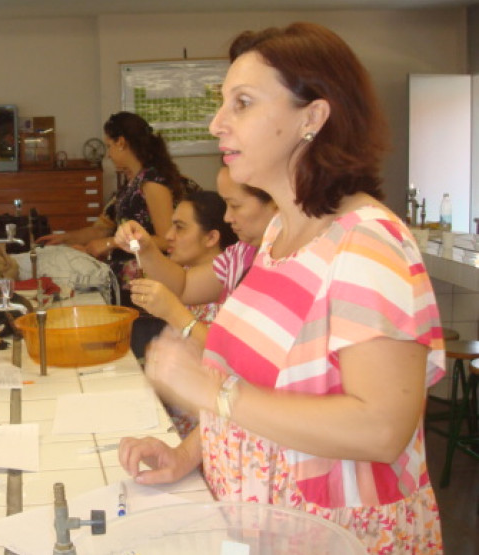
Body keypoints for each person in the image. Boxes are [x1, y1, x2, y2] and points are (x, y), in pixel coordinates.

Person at [119, 23, 445, 553]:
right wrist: (187, 454)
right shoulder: (276, 235)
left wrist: (215, 394)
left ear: (313, 117)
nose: (217, 123)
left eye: (242, 103)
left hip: (341, 537)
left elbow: (381, 428)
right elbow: (256, 389)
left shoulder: (367, 245)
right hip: (262, 525)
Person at [37, 111, 198, 306]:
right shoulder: (132, 183)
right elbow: (105, 228)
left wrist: (111, 243)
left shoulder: (152, 182)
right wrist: (66, 239)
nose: (108, 154)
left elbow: (166, 240)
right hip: (127, 284)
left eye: (109, 146)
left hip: (147, 284)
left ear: (121, 142)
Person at [116, 166, 275, 348]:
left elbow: (236, 354)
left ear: (275, 202)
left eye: (235, 206)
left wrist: (174, 312)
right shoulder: (241, 253)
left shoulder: (287, 264)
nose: (227, 217)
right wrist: (146, 248)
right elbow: (183, 286)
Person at [126, 188, 238, 360]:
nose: (169, 236)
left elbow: (223, 359)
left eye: (180, 227)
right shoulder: (181, 275)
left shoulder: (236, 278)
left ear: (211, 238)